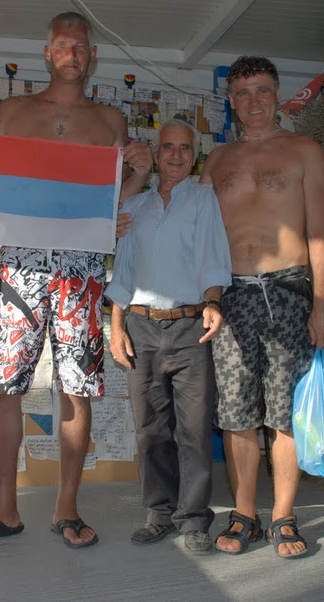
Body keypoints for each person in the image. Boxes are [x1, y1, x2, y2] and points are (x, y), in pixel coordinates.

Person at [0, 11, 153, 550]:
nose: (72, 54)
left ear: (92, 55)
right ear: (47, 52)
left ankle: (67, 507)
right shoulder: (12, 112)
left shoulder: (110, 121)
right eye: (63, 45)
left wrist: (138, 176)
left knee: (76, 388)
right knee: (3, 386)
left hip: (81, 269)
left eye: (80, 46)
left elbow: (111, 201)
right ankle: (4, 508)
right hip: (19, 264)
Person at [200, 56, 324, 558]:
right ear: (230, 100)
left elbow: (320, 231)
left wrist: (323, 304)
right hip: (231, 296)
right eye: (242, 92)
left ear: (278, 95)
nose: (252, 101)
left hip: (289, 292)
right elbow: (199, 238)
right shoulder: (216, 161)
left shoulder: (304, 150)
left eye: (261, 90)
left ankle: (283, 516)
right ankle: (244, 515)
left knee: (285, 414)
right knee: (236, 413)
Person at [105, 119, 231, 555]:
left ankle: (193, 519)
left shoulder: (203, 198)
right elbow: (123, 271)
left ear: (194, 155)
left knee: (194, 430)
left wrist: (213, 301)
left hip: (190, 327)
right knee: (150, 430)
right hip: (140, 327)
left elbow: (213, 255)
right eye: (168, 147)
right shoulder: (135, 206)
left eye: (185, 148)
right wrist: (116, 327)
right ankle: (158, 513)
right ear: (157, 154)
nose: (176, 155)